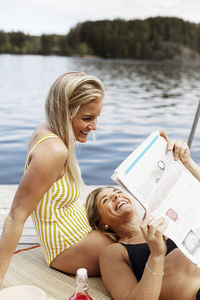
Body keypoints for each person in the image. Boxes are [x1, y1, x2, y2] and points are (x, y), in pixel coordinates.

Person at [0, 71, 113, 285]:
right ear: (64, 112)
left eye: (97, 116)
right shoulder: (53, 151)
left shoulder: (46, 128)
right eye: (87, 118)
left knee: (145, 231)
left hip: (81, 234)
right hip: (67, 249)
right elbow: (16, 215)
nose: (94, 126)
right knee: (143, 248)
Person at [85, 135, 200, 300]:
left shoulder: (160, 213)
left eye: (117, 192)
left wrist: (187, 162)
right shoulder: (114, 252)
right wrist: (156, 255)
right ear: (103, 224)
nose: (116, 197)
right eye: (106, 200)